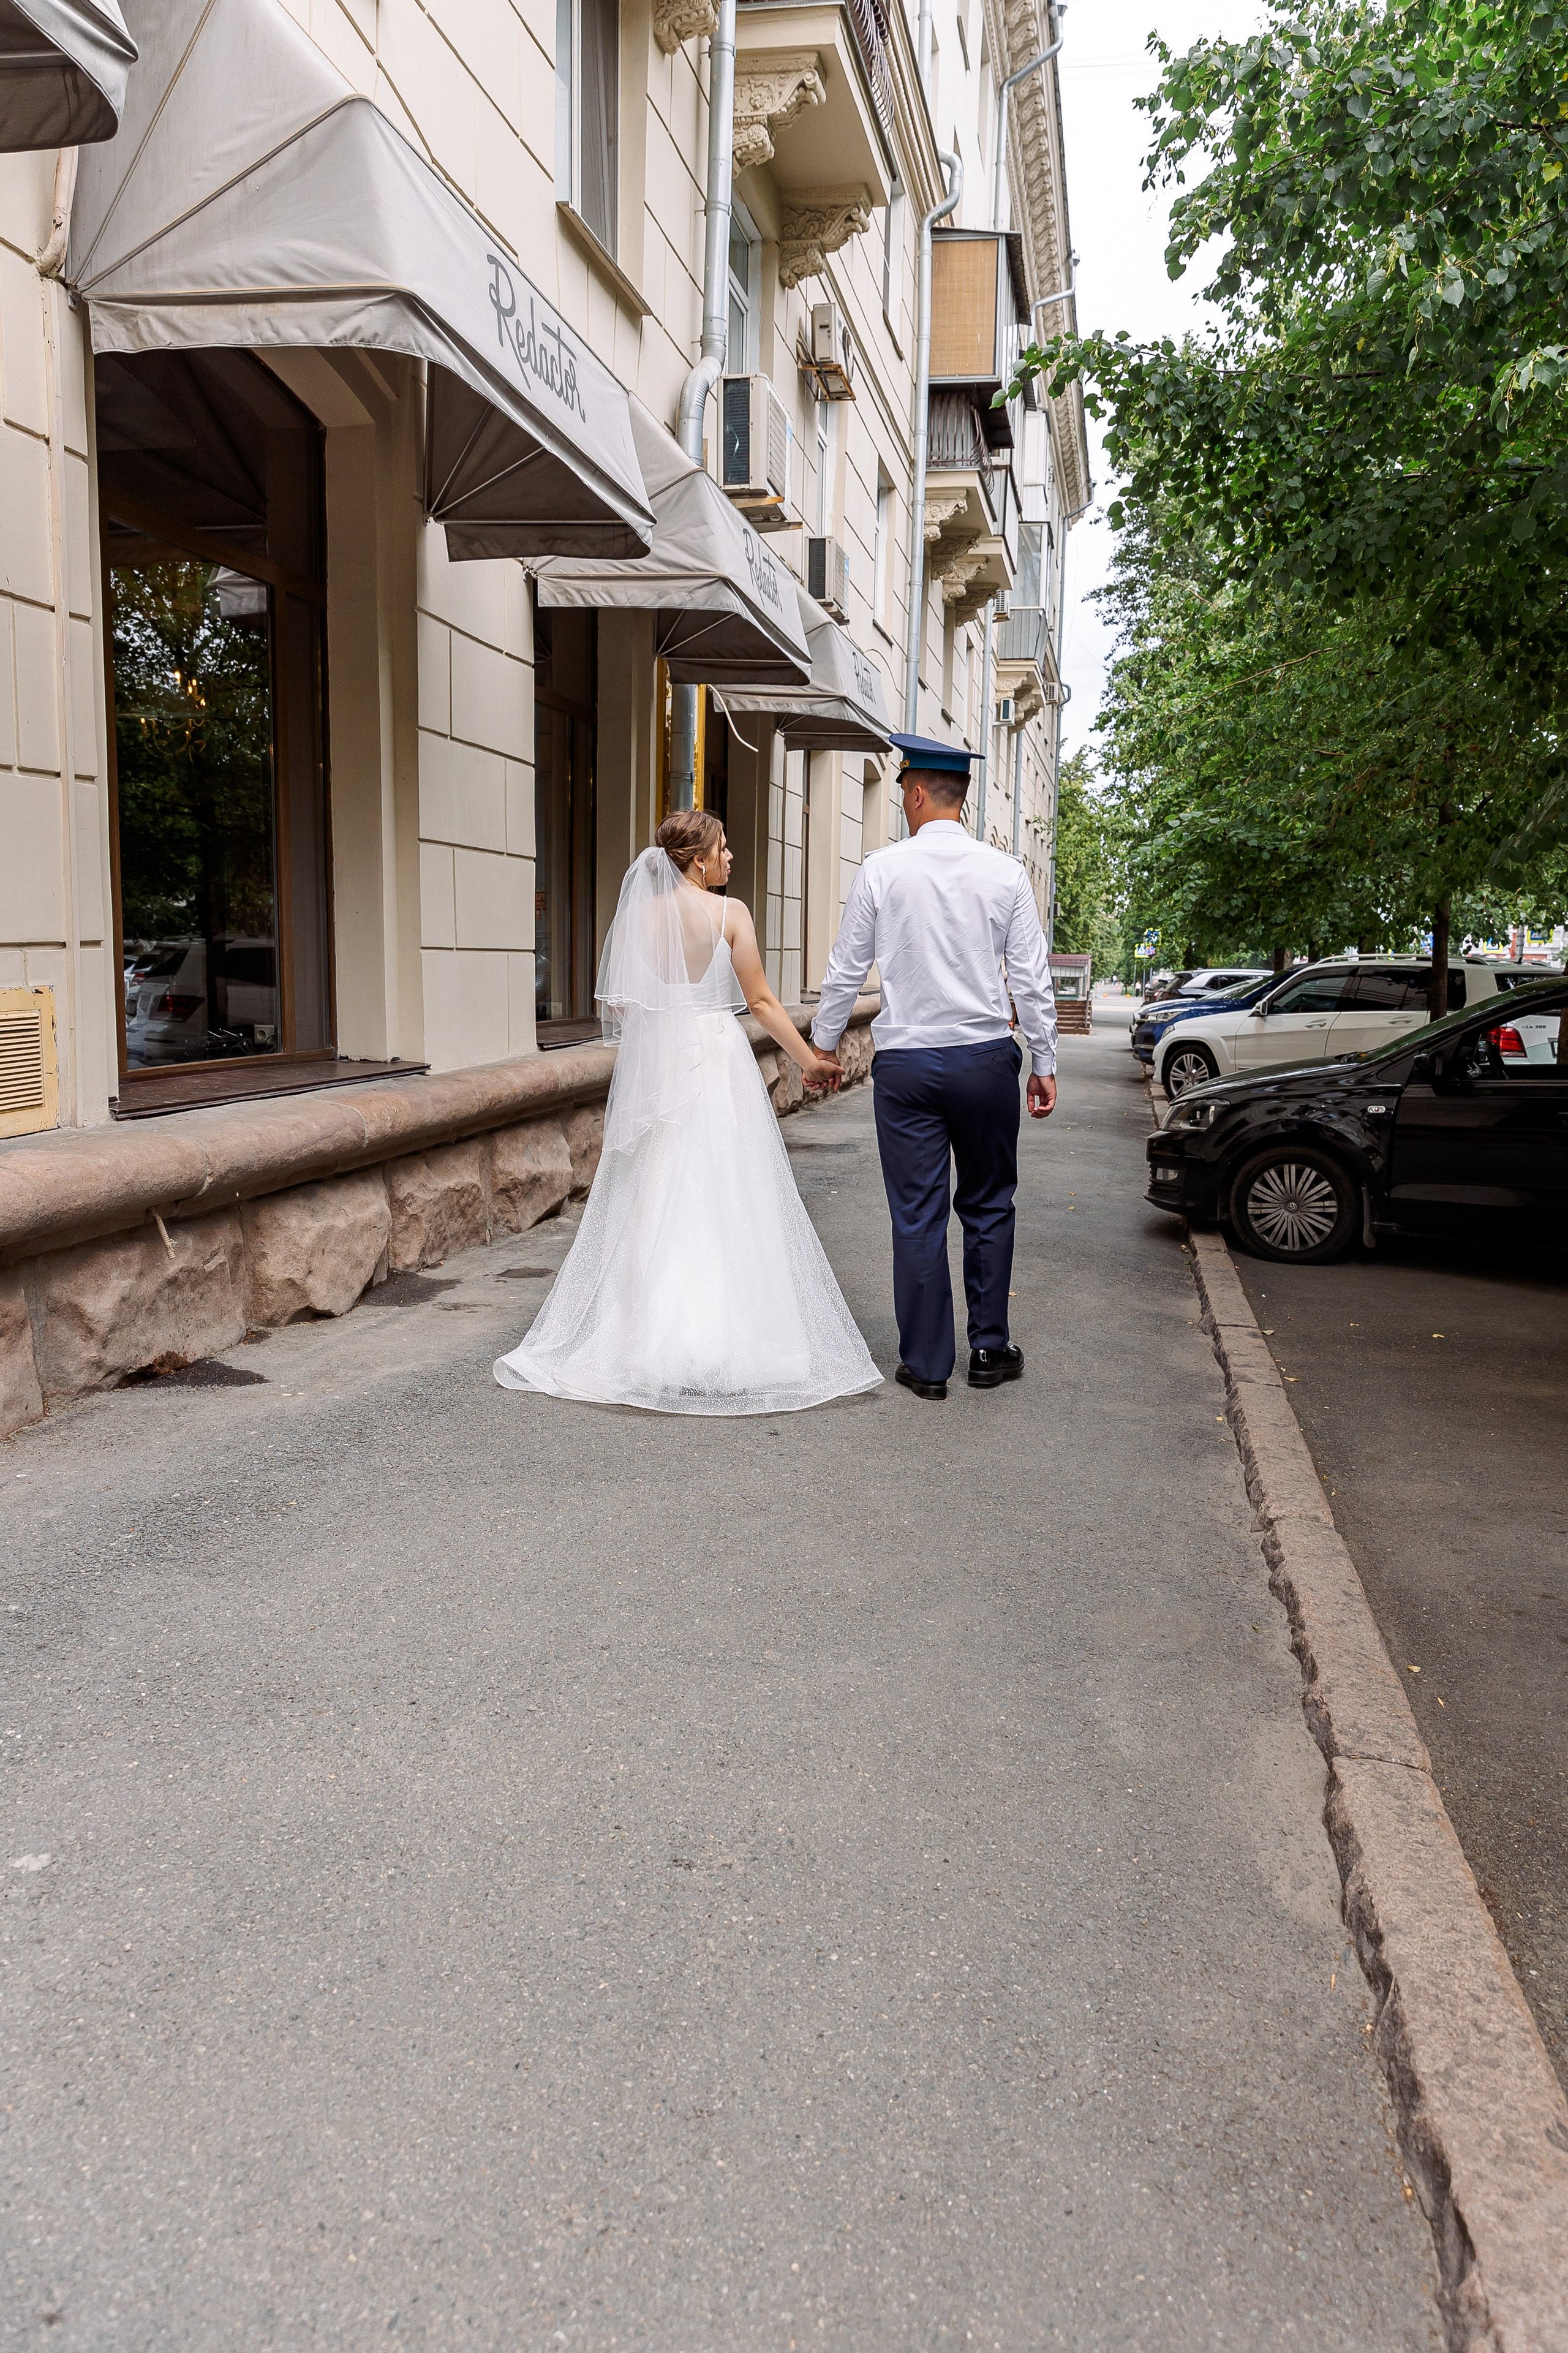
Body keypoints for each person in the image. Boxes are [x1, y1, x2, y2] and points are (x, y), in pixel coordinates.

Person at [494, 810, 882, 1415]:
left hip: (662, 1060)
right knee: (726, 1183)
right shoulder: (730, 914)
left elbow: (625, 1006)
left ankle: (649, 1343)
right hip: (714, 1055)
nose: (730, 858)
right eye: (723, 849)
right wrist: (810, 1058)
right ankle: (733, 1343)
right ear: (697, 859)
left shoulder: (639, 915)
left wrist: (662, 1034)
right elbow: (759, 1000)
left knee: (656, 1189)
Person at [810, 734, 1057, 1402]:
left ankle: (925, 1366)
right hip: (983, 1059)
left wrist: (824, 1047)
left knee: (917, 1214)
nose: (901, 803)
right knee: (988, 1202)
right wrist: (1044, 1060)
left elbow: (845, 968)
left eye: (901, 793)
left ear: (917, 793)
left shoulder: (881, 869)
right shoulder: (1006, 873)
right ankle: (987, 1348)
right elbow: (1031, 980)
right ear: (960, 798)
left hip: (907, 1067)